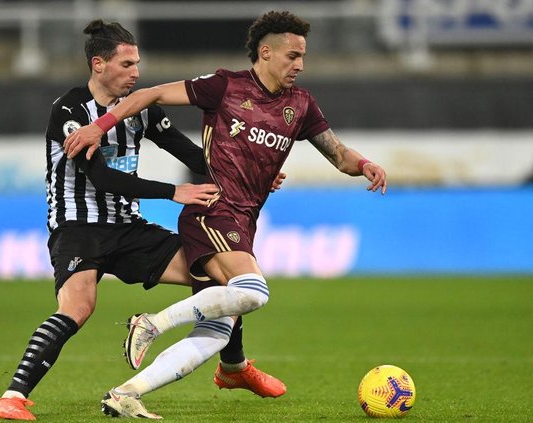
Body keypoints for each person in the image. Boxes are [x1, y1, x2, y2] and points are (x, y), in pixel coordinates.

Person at [64, 10, 387, 419]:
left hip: (242, 222)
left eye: (303, 56)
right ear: (266, 53)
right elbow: (150, 94)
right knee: (254, 291)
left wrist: (364, 164)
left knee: (217, 332)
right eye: (293, 55)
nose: (300, 65)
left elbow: (338, 154)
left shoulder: (301, 105)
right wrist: (101, 125)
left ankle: (126, 393)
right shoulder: (225, 86)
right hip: (212, 212)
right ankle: (152, 323)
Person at [0, 19, 286, 421]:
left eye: (137, 64)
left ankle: (233, 368)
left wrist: (251, 172)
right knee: (78, 307)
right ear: (99, 64)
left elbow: (189, 152)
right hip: (78, 228)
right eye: (127, 64)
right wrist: (173, 191)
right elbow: (102, 178)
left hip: (128, 227)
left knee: (217, 275)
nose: (136, 72)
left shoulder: (139, 110)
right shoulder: (70, 111)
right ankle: (11, 398)